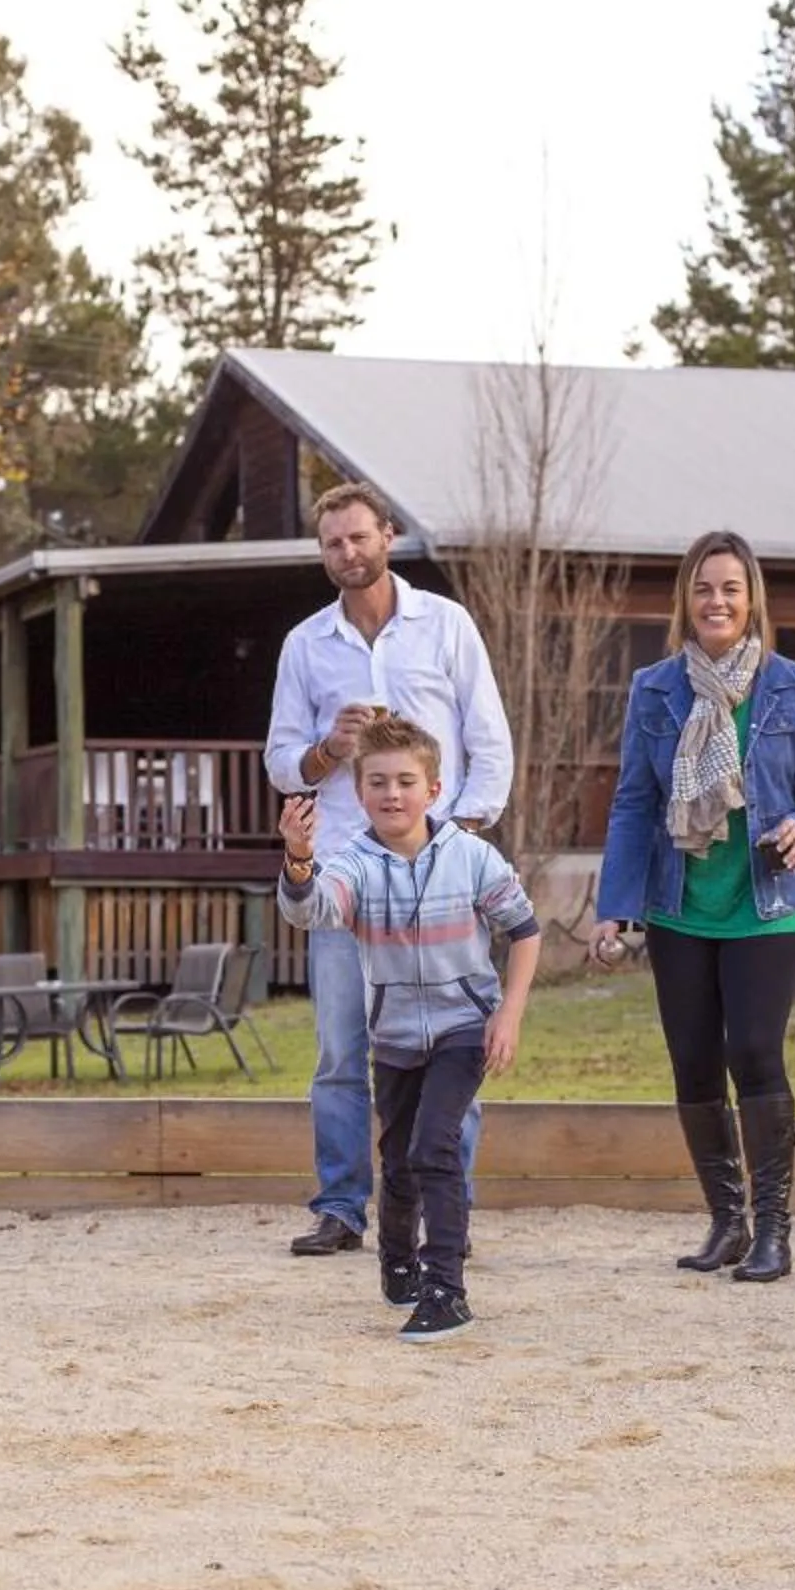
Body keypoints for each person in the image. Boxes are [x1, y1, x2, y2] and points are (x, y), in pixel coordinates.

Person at [266, 480, 514, 1257]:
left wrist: (462, 840)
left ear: (389, 536)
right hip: (347, 875)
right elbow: (282, 766)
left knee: (449, 1044)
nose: (348, 552)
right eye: (333, 543)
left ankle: (450, 1206)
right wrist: (330, 749)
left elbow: (490, 743)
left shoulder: (445, 625)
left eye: (359, 537)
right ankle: (342, 1206)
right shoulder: (306, 646)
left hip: (439, 879)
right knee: (343, 1051)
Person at [591, 530, 795, 1282]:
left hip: (767, 905)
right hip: (679, 906)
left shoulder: (791, 684)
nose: (717, 601)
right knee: (694, 1065)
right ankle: (726, 1222)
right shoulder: (655, 689)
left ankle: (774, 1231)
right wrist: (617, 904)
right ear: (686, 600)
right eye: (704, 588)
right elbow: (635, 802)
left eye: (731, 588)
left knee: (755, 1056)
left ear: (751, 597)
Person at [276, 714, 540, 1341]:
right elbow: (314, 910)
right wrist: (299, 859)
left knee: (433, 1147)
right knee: (397, 1159)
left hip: (462, 1027)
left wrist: (509, 1013)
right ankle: (397, 1261)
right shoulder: (356, 864)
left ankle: (446, 1288)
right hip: (393, 1035)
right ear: (359, 793)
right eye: (377, 783)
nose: (392, 793)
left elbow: (525, 932)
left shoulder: (472, 858)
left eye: (404, 781)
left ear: (434, 789)